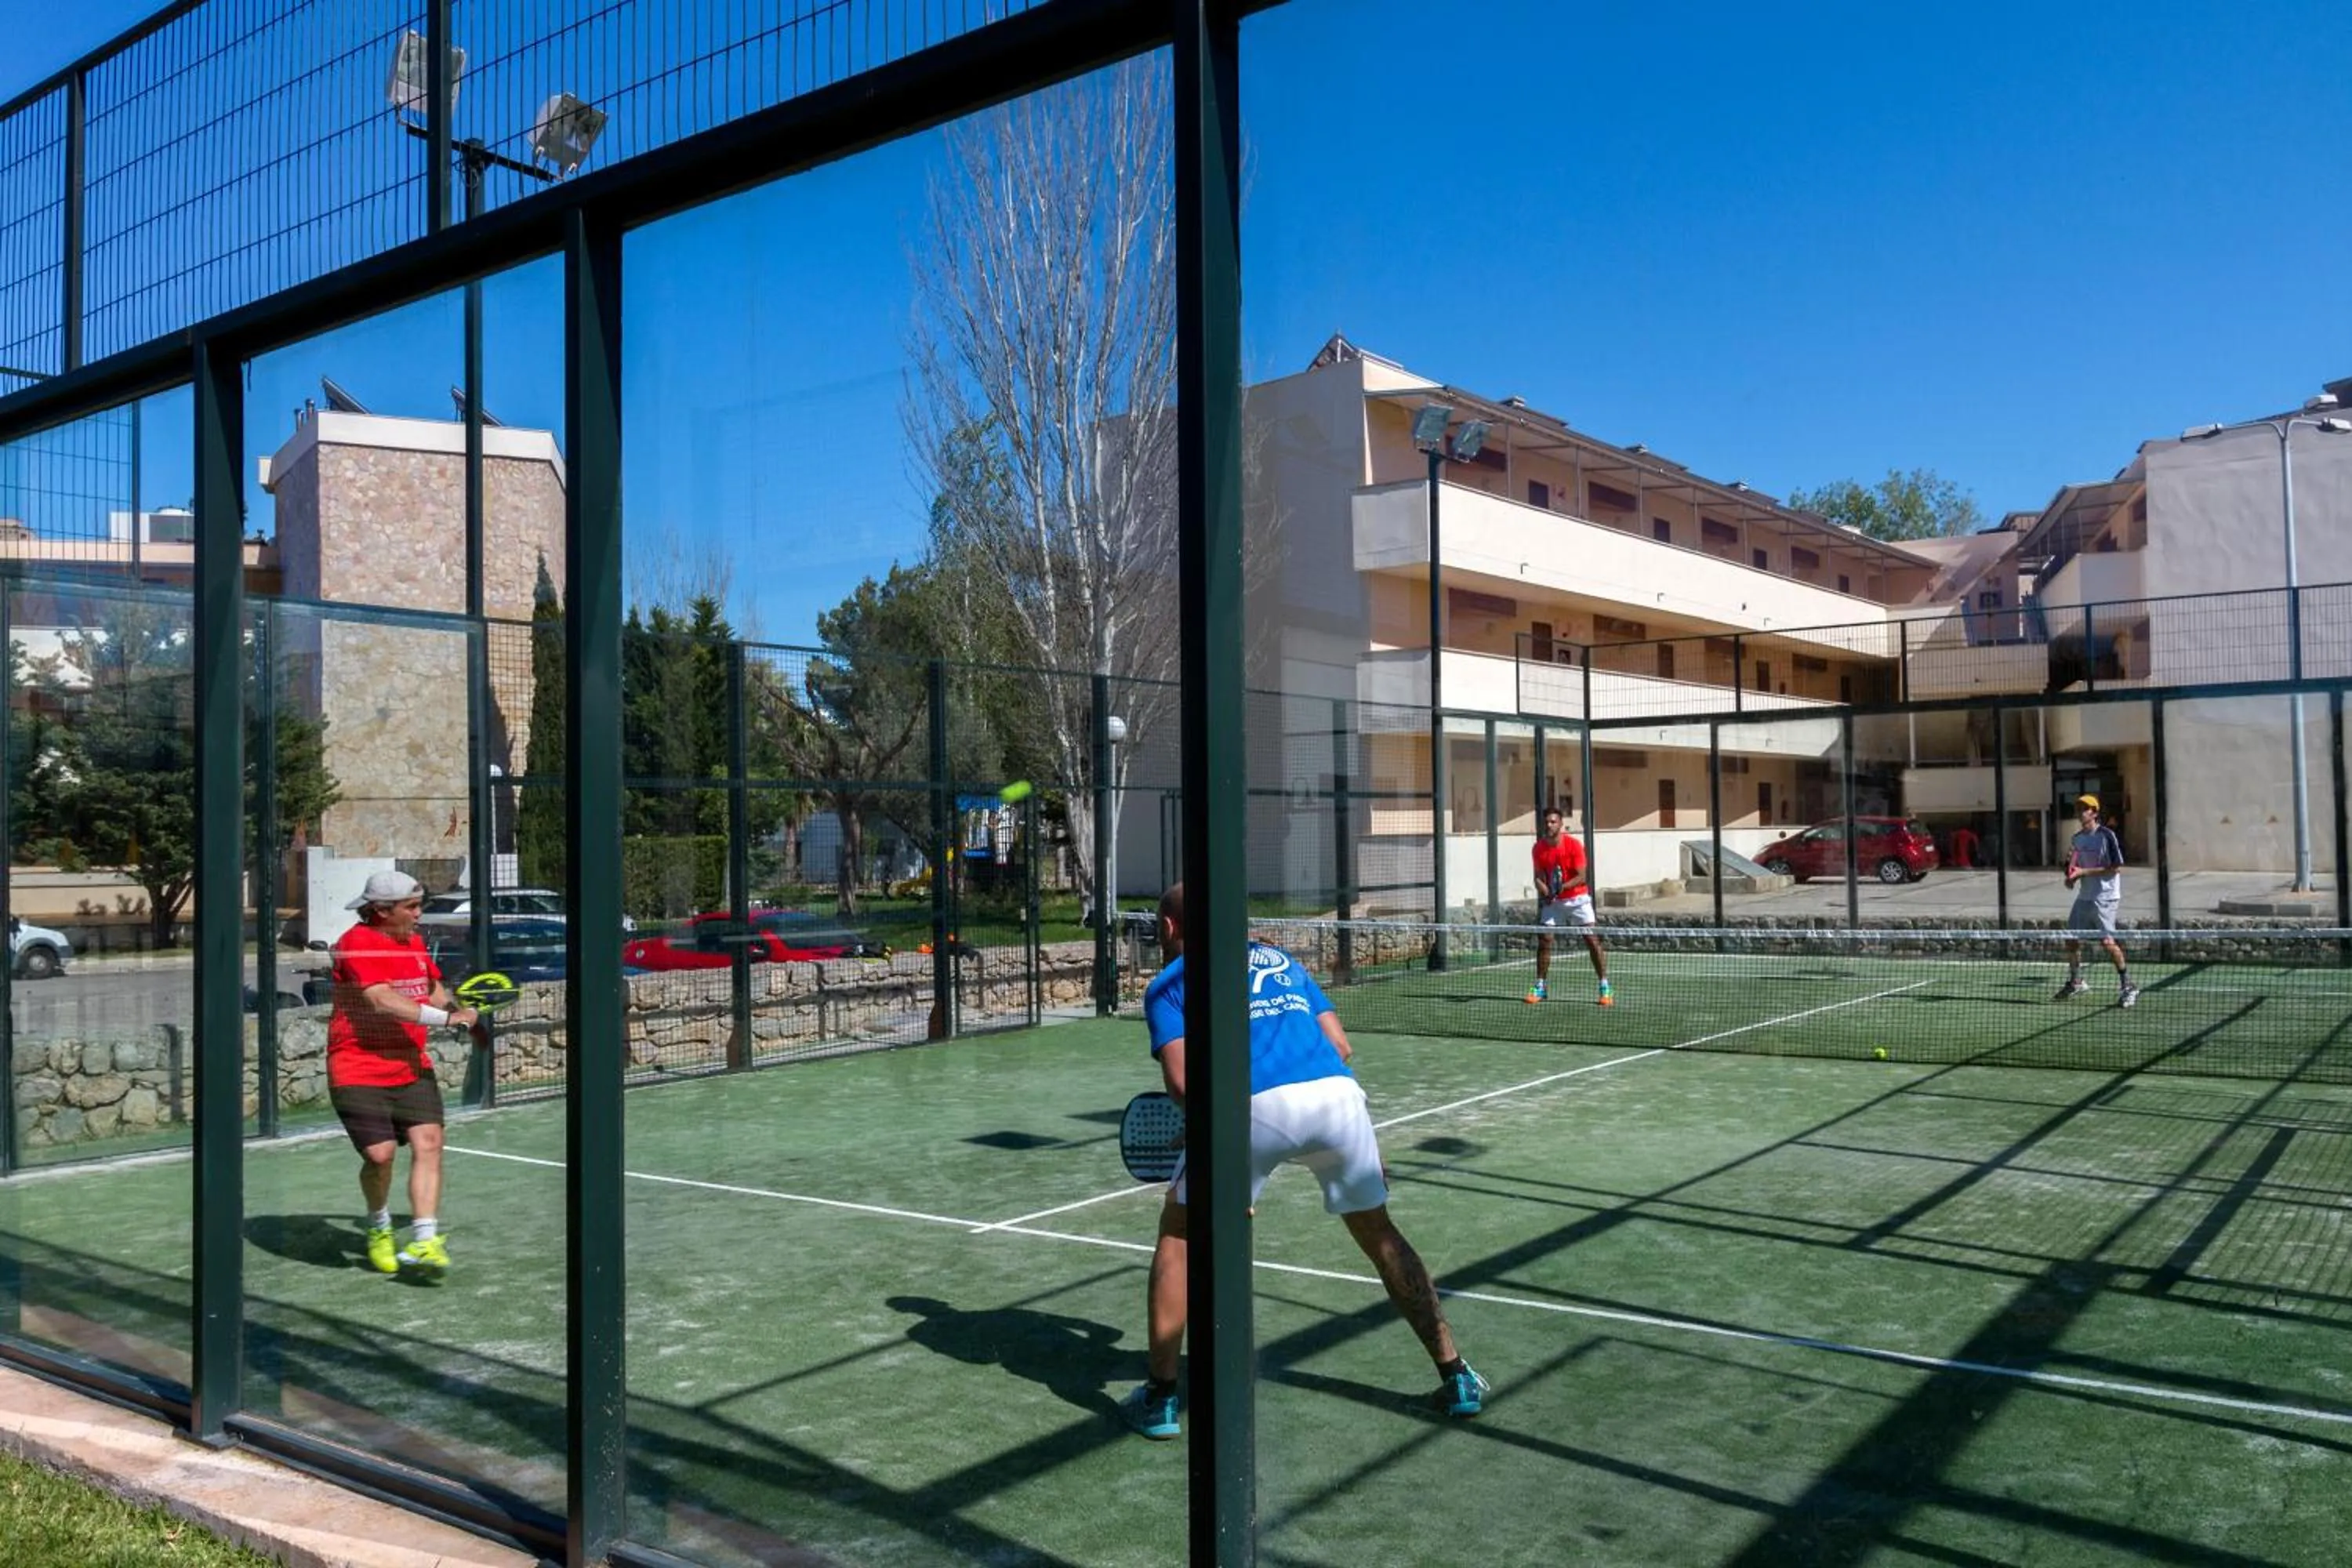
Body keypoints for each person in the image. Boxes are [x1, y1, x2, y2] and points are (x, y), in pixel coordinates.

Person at [1119, 882, 1486, 1439]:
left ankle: (1161, 1397)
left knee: (1179, 1236)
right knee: (1380, 1234)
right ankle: (1455, 1375)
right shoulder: (1281, 961)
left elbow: (1183, 1082)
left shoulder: (1169, 982)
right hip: (1338, 1100)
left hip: (1250, 1108)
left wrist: (1212, 1135)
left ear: (1168, 928)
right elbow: (1339, 1046)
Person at [328, 870, 477, 1277]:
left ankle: (425, 1240)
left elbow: (431, 989)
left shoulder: (412, 941)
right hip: (357, 1066)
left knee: (430, 1143)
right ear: (381, 910)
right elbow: (381, 1000)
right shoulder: (356, 943)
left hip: (411, 1065)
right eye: (411, 906)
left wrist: (458, 1011)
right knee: (380, 1156)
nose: (418, 913)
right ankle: (379, 1224)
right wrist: (446, 1021)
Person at [2054, 795, 2138, 1008]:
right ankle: (2076, 981)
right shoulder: (2077, 839)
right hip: (2085, 897)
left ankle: (2128, 986)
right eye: (2078, 808)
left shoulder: (2106, 835)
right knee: (2071, 940)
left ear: (2094, 813)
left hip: (2106, 897)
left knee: (2107, 943)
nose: (2080, 812)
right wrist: (2072, 879)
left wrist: (2083, 872)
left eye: (2085, 808)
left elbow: (2115, 867)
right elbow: (2075, 867)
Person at [1526, 806, 1610, 1006]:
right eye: (1547, 822)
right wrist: (1546, 891)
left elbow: (1582, 876)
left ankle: (1604, 986)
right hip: (1554, 902)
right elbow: (1538, 877)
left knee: (1592, 940)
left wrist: (1561, 887)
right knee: (1545, 940)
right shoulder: (1538, 848)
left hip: (1577, 899)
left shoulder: (1573, 846)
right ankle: (1540, 986)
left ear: (1561, 824)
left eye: (1553, 822)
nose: (1549, 825)